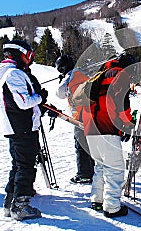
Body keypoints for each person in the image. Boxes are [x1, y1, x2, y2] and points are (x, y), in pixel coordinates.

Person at [0, 40, 48, 221]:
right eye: (29, 56)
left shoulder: (11, 74)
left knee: (18, 165)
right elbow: (24, 103)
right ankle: (20, 206)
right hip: (22, 128)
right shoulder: (13, 75)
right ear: (18, 54)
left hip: (18, 127)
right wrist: (40, 97)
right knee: (25, 166)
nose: (30, 60)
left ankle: (10, 203)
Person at [82, 53, 136, 218]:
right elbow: (121, 103)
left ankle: (97, 200)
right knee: (115, 169)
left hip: (90, 129)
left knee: (100, 166)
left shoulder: (100, 73)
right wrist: (127, 124)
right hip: (107, 127)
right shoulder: (121, 74)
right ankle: (112, 207)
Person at [55, 54, 94, 184]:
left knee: (81, 145)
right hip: (91, 112)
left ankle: (84, 174)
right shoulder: (82, 72)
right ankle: (94, 170)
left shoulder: (70, 76)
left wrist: (62, 80)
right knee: (90, 143)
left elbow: (59, 93)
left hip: (80, 115)